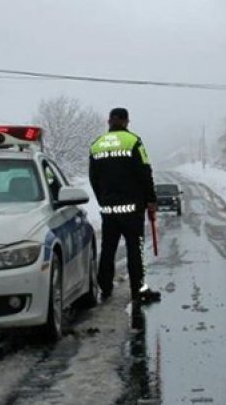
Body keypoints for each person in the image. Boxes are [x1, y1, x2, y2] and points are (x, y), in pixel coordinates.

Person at [89, 107, 162, 304]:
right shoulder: (133, 142)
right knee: (135, 250)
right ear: (126, 121)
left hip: (109, 209)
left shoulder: (96, 145)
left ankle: (105, 286)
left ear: (109, 122)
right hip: (132, 209)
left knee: (108, 249)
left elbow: (93, 178)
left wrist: (103, 200)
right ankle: (138, 290)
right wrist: (150, 200)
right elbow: (145, 172)